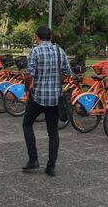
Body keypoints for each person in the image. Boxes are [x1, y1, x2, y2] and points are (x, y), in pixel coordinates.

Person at [21, 26, 72, 177]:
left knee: (27, 124)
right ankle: (51, 166)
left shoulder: (35, 51)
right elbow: (67, 73)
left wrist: (26, 88)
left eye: (35, 38)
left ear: (37, 37)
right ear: (51, 37)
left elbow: (29, 75)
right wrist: (56, 81)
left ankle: (33, 159)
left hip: (38, 97)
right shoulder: (59, 51)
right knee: (53, 132)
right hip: (55, 98)